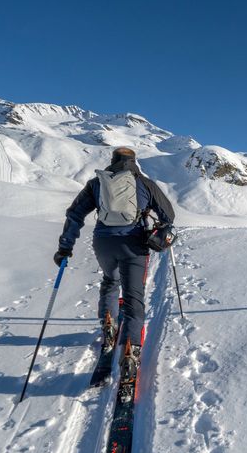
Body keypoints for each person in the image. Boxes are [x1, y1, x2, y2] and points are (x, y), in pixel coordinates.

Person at [54, 147, 175, 369]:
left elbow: (75, 214)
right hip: (134, 244)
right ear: (134, 162)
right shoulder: (144, 183)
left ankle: (108, 325)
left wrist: (65, 247)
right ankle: (131, 352)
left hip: (103, 243)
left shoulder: (97, 183)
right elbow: (168, 215)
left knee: (111, 280)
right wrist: (159, 225)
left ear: (113, 160)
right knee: (133, 297)